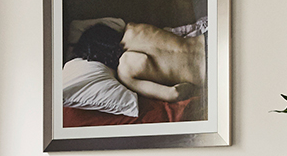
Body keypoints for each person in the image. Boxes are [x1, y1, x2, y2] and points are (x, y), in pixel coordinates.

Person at [72, 18, 206, 107]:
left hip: (207, 70)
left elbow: (174, 93)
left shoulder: (125, 72)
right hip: (209, 38)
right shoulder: (134, 28)